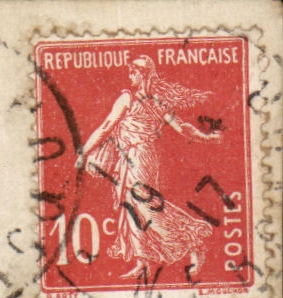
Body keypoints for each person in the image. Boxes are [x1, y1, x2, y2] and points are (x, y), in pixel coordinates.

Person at [74, 55, 222, 278]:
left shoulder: (132, 98)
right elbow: (182, 127)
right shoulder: (151, 101)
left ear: (143, 75)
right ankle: (142, 261)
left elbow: (106, 127)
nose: (130, 76)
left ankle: (194, 240)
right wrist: (206, 137)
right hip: (132, 157)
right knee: (129, 205)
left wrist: (84, 152)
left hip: (140, 156)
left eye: (133, 72)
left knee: (145, 206)